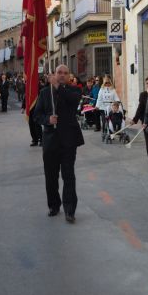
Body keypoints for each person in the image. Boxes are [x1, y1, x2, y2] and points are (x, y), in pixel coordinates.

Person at [34, 65, 84, 223]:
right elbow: (37, 115)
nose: (62, 75)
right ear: (54, 74)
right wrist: (47, 120)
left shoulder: (74, 90)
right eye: (59, 73)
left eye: (65, 73)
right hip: (50, 140)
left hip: (69, 140)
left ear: (69, 76)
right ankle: (54, 205)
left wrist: (57, 86)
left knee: (68, 175)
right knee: (51, 176)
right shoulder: (44, 93)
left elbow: (72, 100)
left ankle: (70, 210)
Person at [131, 76, 148, 166]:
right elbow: (140, 108)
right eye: (147, 83)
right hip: (146, 122)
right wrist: (135, 119)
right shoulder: (143, 95)